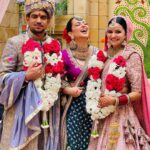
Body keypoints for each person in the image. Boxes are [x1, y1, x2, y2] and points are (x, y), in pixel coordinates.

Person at [0, 0, 64, 149]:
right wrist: (25, 76)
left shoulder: (55, 44)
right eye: (34, 16)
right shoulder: (14, 43)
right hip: (21, 112)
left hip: (47, 110)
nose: (38, 20)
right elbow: (2, 76)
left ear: (48, 21)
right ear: (27, 19)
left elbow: (59, 74)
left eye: (43, 17)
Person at [87, 16, 150, 150]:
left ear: (126, 34)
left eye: (118, 32)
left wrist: (114, 100)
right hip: (101, 115)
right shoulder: (102, 56)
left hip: (121, 116)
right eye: (110, 32)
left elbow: (137, 93)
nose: (113, 35)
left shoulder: (131, 56)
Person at [60, 16, 102, 150]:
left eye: (85, 24)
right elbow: (55, 79)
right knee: (74, 143)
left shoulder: (99, 53)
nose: (84, 26)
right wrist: (67, 90)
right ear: (71, 34)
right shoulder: (64, 55)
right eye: (78, 24)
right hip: (74, 105)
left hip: (96, 106)